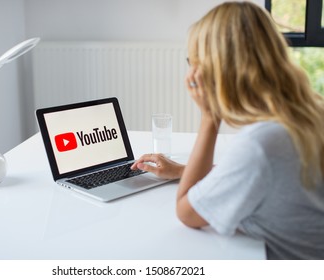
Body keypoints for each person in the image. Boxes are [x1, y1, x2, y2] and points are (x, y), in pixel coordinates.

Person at [131, 1, 324, 259]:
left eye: (194, 62)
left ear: (219, 69)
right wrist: (181, 170)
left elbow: (186, 211)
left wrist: (210, 116)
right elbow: (260, 176)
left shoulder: (261, 143)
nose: (191, 72)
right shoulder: (310, 108)